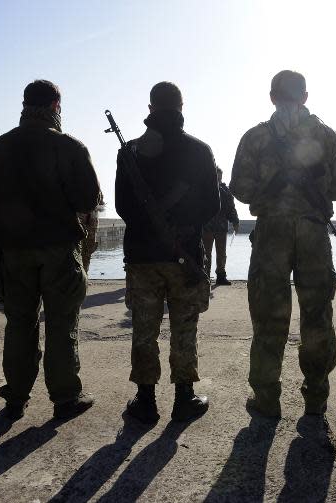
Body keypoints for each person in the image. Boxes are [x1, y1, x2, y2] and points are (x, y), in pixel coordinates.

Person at [230, 70, 336, 417]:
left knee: (269, 315)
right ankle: (316, 396)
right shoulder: (326, 136)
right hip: (314, 232)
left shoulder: (256, 138)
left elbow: (240, 187)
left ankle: (267, 398)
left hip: (271, 233)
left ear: (272, 97)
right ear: (305, 97)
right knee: (316, 314)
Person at [0, 80, 101, 420]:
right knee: (62, 322)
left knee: (19, 322)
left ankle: (16, 397)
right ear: (55, 105)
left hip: (15, 250)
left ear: (24, 104)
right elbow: (88, 198)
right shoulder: (68, 146)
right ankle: (65, 397)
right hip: (59, 248)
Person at [115, 81, 220, 423]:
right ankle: (184, 397)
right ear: (181, 107)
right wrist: (182, 226)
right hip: (184, 254)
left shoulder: (129, 151)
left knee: (144, 328)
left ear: (150, 109)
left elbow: (122, 207)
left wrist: (154, 224)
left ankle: (145, 400)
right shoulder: (200, 150)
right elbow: (211, 206)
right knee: (184, 327)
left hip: (143, 256)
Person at [202, 167, 240, 285]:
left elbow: (231, 208)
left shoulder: (226, 192)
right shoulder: (204, 189)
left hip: (221, 228)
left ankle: (221, 276)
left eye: (219, 176)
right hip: (207, 227)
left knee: (221, 254)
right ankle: (205, 276)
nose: (218, 178)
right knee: (206, 253)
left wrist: (235, 221)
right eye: (216, 176)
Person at [78, 194, 104, 274]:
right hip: (78, 224)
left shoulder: (94, 185)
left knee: (88, 251)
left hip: (91, 226)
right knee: (77, 251)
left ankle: (85, 275)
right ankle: (79, 276)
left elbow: (102, 206)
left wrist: (96, 207)